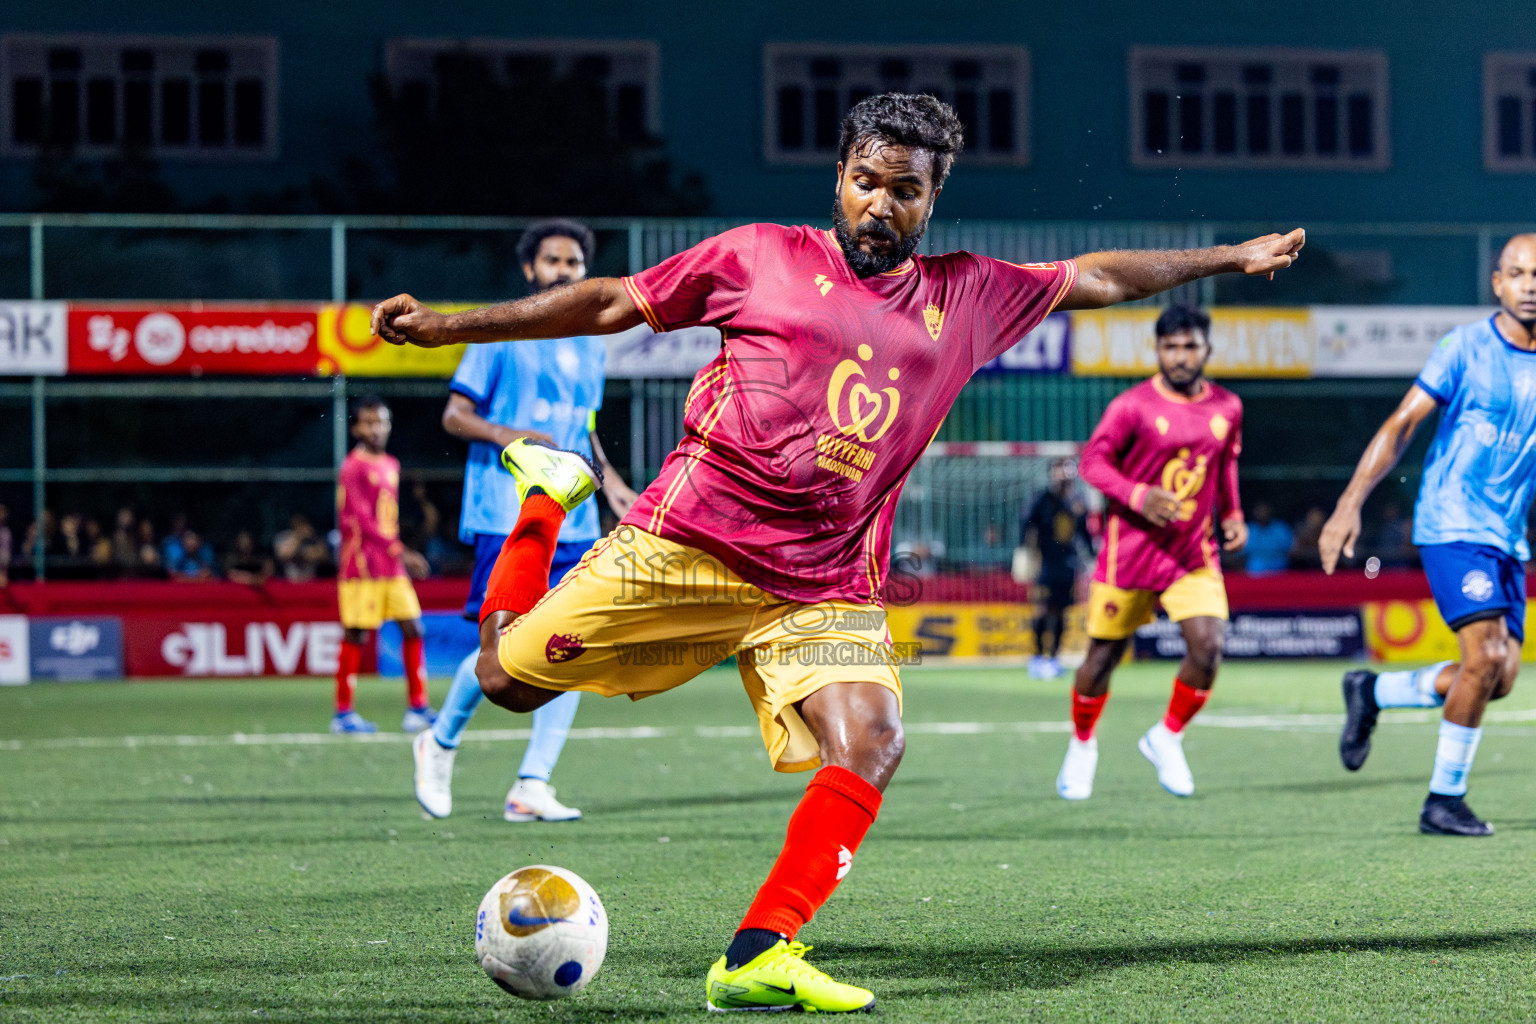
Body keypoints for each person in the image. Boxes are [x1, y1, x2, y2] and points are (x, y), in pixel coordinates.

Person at [373, 93, 1302, 1012]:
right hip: (687, 546)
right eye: (865, 182)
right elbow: (616, 300)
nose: (880, 206)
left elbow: (1100, 279)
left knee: (873, 741)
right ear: (840, 178)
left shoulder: (968, 295)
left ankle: (758, 950)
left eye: (905, 190)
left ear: (932, 198)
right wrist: (452, 326)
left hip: (823, 586)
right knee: (504, 678)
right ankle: (547, 496)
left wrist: (1229, 255)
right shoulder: (758, 256)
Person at [412, 219, 638, 823]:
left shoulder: (592, 345)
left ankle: (531, 783)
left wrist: (614, 488)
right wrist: (508, 434)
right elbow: (455, 415)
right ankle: (438, 742)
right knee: (502, 648)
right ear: (529, 270)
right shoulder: (499, 336)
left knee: (571, 643)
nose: (563, 271)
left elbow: (584, 430)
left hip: (578, 514)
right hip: (504, 507)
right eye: (552, 261)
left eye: (573, 263)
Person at [1321, 234, 1536, 837]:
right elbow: (1401, 425)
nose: (1530, 284)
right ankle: (1443, 801)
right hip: (1450, 523)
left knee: (1500, 676)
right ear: (1497, 283)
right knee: (1485, 654)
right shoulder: (1464, 348)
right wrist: (1349, 503)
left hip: (1508, 539)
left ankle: (1373, 691)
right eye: (1517, 273)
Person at [1056, 305, 1248, 802]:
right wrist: (1139, 495)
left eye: (1189, 346)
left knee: (1208, 648)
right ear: (1158, 351)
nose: (1180, 356)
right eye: (1171, 347)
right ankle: (1082, 744)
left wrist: (1232, 514)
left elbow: (1222, 466)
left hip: (1191, 553)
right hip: (1131, 554)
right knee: (1101, 660)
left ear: (1206, 349)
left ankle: (1167, 735)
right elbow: (1093, 464)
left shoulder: (1228, 407)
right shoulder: (1131, 406)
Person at [332, 395, 436, 735]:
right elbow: (360, 519)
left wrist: (396, 553)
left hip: (390, 565)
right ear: (355, 427)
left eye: (382, 421)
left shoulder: (391, 463)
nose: (377, 428)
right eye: (369, 422)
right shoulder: (353, 466)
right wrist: (400, 550)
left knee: (413, 628)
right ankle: (343, 713)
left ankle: (418, 708)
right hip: (362, 566)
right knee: (357, 634)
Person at [1020, 459, 1092, 678]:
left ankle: (1054, 657)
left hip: (1068, 564)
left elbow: (1083, 532)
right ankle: (1037, 656)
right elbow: (1025, 521)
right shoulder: (1042, 498)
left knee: (1062, 613)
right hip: (1045, 562)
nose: (1063, 477)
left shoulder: (1077, 500)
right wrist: (1023, 549)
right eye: (1059, 472)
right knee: (1042, 610)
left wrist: (1092, 556)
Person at [1243, 502, 1293, 576]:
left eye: (1265, 511)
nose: (1263, 514)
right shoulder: (1248, 530)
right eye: (1259, 511)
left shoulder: (1280, 528)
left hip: (1280, 571)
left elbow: (1292, 551)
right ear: (1254, 512)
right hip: (1254, 573)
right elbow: (1239, 555)